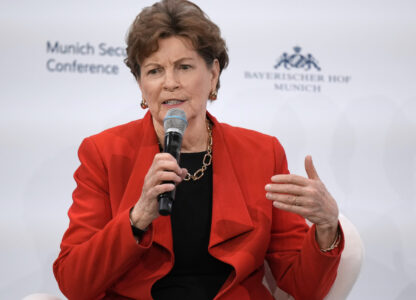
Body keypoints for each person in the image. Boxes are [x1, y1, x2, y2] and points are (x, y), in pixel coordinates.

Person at [53, 0, 344, 299]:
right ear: (141, 84)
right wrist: (137, 217)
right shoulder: (105, 153)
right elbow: (74, 283)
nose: (170, 83)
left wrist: (326, 227)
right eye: (154, 71)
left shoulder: (262, 153)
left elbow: (304, 287)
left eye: (184, 67)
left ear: (213, 74)